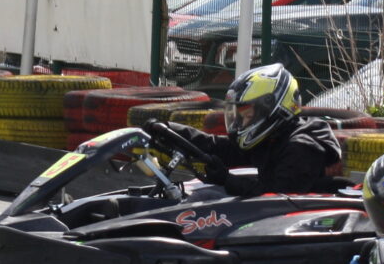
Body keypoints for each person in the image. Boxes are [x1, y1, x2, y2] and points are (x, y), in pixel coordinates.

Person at [145, 63, 344, 196]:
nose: (242, 123)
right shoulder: (273, 139)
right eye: (240, 116)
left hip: (296, 223)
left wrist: (226, 180)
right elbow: (219, 147)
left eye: (248, 116)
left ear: (273, 109)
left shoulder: (302, 147)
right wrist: (169, 130)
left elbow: (277, 197)